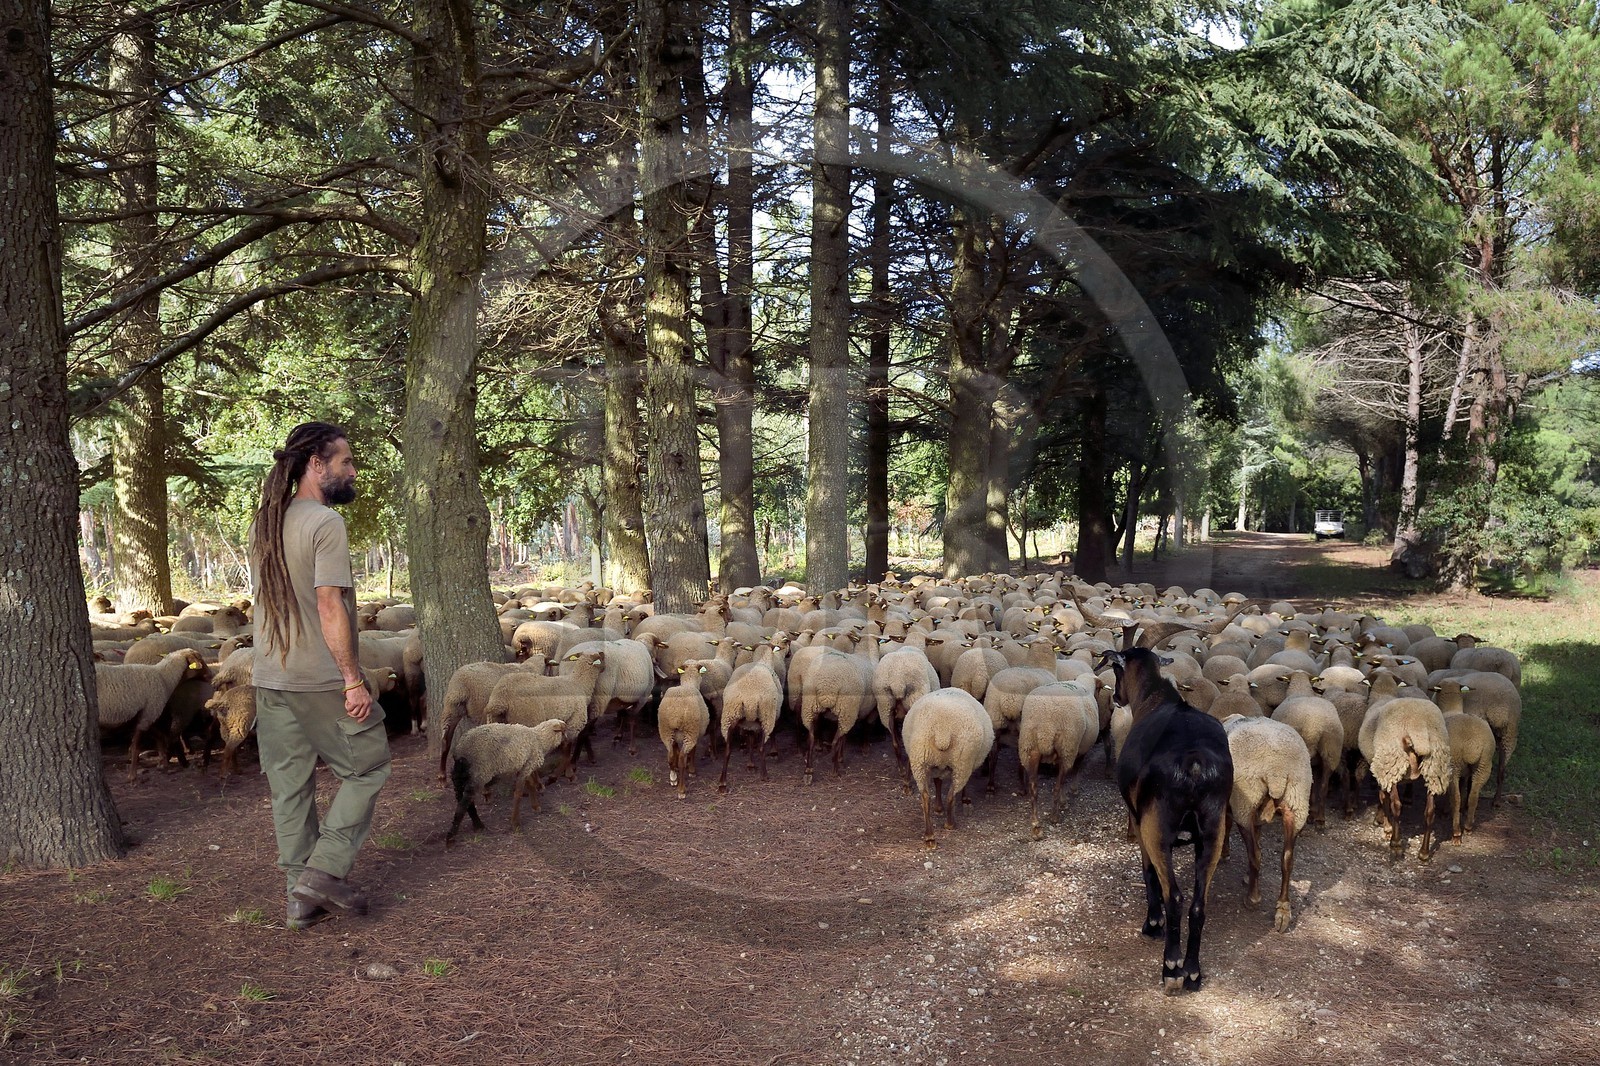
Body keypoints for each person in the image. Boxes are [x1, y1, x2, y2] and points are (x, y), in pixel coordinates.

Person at [249, 421, 391, 930]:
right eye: (346, 462)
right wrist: (353, 679)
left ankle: (299, 899)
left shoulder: (266, 521)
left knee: (289, 786)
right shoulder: (325, 523)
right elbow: (328, 603)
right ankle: (323, 872)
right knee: (369, 766)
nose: (353, 471)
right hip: (319, 679)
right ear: (316, 464)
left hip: (269, 676)